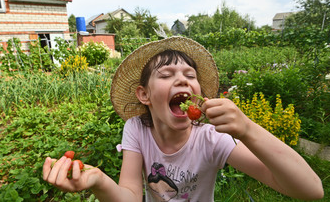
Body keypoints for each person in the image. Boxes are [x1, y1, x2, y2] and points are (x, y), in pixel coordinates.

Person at [43, 36, 324, 201]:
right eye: (166, 76)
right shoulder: (136, 129)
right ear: (145, 95)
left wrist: (248, 129)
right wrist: (99, 181)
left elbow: (311, 191)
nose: (183, 80)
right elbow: (130, 195)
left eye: (190, 76)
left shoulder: (211, 137)